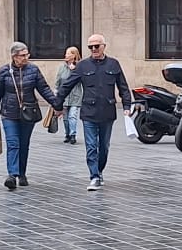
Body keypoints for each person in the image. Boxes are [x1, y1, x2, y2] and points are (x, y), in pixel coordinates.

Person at [53, 33, 135, 192]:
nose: (94, 49)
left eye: (97, 46)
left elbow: (123, 87)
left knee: (103, 146)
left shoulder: (113, 64)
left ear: (104, 46)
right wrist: (57, 104)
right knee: (91, 146)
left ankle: (100, 170)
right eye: (90, 47)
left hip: (107, 111)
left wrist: (127, 106)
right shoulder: (83, 66)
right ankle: (94, 176)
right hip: (89, 112)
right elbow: (67, 85)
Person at [0, 42, 57, 191]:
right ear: (14, 57)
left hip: (28, 113)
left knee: (24, 144)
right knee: (13, 143)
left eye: (27, 55)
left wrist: (57, 105)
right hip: (8, 113)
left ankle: (22, 173)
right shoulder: (4, 71)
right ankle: (12, 175)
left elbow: (44, 89)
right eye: (22, 55)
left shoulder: (33, 70)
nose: (26, 58)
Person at [54, 46, 83, 144]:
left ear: (74, 55)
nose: (65, 55)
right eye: (66, 53)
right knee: (65, 118)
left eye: (68, 53)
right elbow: (58, 81)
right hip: (64, 97)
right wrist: (56, 95)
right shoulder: (62, 67)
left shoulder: (80, 67)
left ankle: (73, 135)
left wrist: (74, 70)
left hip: (76, 96)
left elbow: (83, 81)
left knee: (72, 116)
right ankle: (67, 134)